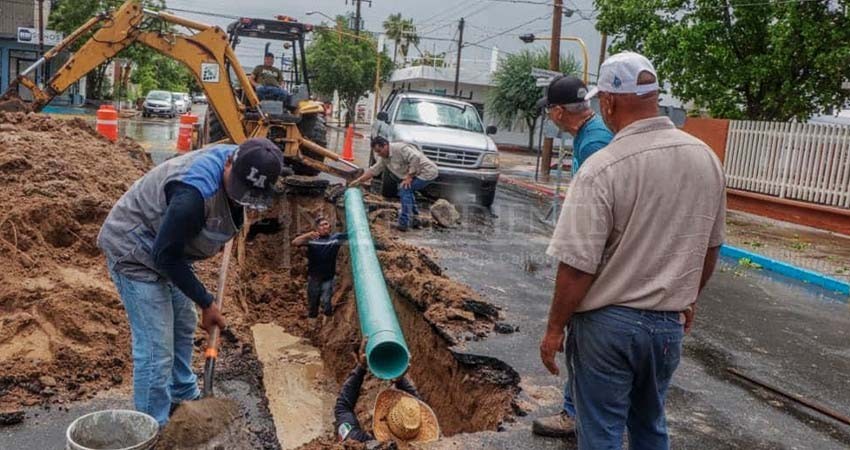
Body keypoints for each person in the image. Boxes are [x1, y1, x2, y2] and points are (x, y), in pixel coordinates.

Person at [539, 52, 726, 450]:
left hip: (609, 329)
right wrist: (687, 297)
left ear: (608, 102)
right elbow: (710, 247)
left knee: (601, 434)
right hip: (666, 328)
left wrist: (555, 329)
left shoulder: (603, 166)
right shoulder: (706, 159)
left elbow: (577, 266)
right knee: (649, 427)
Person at [97, 138, 286, 426]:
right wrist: (207, 302)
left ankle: (183, 395)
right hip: (134, 248)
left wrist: (202, 301)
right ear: (228, 163)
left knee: (184, 322)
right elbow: (165, 256)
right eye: (238, 190)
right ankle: (152, 427)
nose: (239, 199)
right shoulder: (193, 195)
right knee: (156, 348)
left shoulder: (247, 159)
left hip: (169, 247)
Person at [531, 75, 614, 438]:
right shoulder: (590, 134)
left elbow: (601, 209)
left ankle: (574, 414)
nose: (549, 116)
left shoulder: (594, 142)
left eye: (549, 110)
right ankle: (579, 410)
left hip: (595, 254)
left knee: (583, 335)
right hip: (598, 250)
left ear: (559, 112)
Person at [335, 340, 440, 445]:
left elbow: (343, 407)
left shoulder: (359, 443)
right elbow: (416, 406)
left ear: (383, 420)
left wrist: (361, 368)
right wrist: (401, 380)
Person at [349, 136, 439, 231]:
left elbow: (415, 157)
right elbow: (374, 170)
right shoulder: (384, 158)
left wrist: (409, 177)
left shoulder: (400, 149)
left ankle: (404, 223)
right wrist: (359, 181)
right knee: (407, 189)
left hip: (427, 172)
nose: (379, 154)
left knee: (405, 189)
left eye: (379, 151)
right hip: (417, 173)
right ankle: (415, 220)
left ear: (385, 145)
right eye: (376, 152)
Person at [291, 216, 348, 318]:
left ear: (329, 226)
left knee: (326, 301)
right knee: (313, 303)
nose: (325, 226)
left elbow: (352, 234)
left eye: (326, 224)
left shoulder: (336, 238)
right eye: (321, 225)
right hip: (314, 278)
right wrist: (308, 235)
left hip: (328, 277)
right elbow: (294, 242)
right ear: (317, 229)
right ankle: (312, 319)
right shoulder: (311, 240)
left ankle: (329, 319)